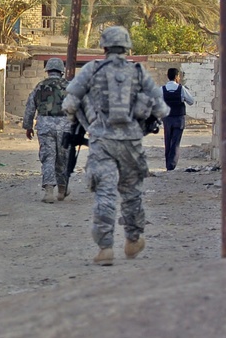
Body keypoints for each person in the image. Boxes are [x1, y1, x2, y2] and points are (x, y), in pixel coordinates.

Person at [62, 26, 169, 266]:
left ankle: (105, 248)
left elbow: (69, 103)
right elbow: (161, 109)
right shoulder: (138, 71)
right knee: (132, 193)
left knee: (105, 193)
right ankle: (132, 240)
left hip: (102, 141)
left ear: (104, 46)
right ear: (128, 46)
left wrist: (82, 119)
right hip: (131, 142)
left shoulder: (92, 69)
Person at [23, 57, 72, 204]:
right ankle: (62, 189)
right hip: (65, 126)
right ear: (61, 71)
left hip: (45, 125)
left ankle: (49, 191)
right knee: (63, 158)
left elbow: (30, 107)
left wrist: (28, 126)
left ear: (48, 70)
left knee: (48, 157)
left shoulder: (40, 87)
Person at [161, 67, 195, 171]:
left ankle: (168, 164)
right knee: (175, 142)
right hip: (179, 119)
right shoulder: (181, 89)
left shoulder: (161, 89)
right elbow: (191, 101)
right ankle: (172, 165)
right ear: (176, 77)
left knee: (168, 141)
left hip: (167, 119)